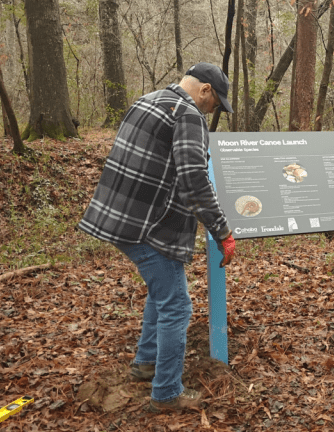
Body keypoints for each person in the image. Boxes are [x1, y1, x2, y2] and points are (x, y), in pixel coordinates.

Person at [78, 62, 236, 412]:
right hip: (149, 226)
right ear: (205, 90)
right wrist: (223, 231)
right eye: (214, 103)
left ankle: (146, 363)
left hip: (120, 220)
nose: (212, 112)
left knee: (162, 292)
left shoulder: (147, 100)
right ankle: (166, 393)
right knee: (177, 306)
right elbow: (194, 180)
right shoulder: (188, 114)